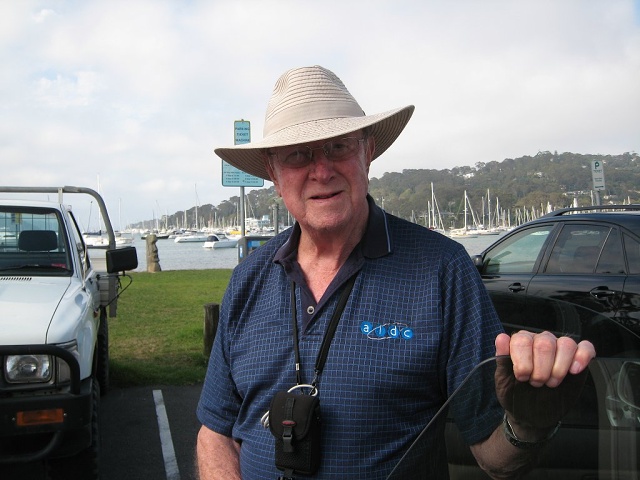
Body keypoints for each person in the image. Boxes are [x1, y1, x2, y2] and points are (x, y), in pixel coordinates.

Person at [196, 66, 595, 479]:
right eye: (298, 154)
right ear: (274, 174)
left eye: (338, 146)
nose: (321, 170)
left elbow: (495, 460)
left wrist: (528, 424)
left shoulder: (442, 270)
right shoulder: (248, 278)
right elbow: (216, 431)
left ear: (367, 152)